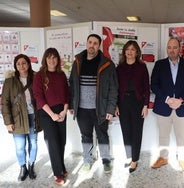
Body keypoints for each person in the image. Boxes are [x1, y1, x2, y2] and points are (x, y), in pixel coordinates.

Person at [69, 34, 118, 174]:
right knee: (86, 136)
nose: (92, 45)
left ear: (99, 46)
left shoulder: (107, 64)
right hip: (82, 109)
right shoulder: (78, 61)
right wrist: (72, 105)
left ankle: (106, 160)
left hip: (100, 109)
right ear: (86, 43)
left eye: (95, 43)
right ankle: (87, 160)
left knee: (102, 135)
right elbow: (72, 84)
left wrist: (110, 108)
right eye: (90, 42)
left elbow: (113, 89)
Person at [150, 37, 184, 172]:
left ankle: (182, 159)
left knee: (181, 135)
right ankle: (163, 158)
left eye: (175, 47)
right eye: (169, 47)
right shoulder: (159, 65)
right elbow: (154, 85)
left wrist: (181, 100)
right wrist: (167, 99)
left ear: (179, 48)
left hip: (181, 106)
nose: (172, 50)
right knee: (163, 135)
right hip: (164, 106)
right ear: (166, 49)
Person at [1, 54, 41, 181]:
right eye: (18, 64)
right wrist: (8, 122)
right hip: (17, 118)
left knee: (33, 144)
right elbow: (5, 102)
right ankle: (23, 167)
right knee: (20, 146)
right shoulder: (9, 81)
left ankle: (31, 165)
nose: (21, 66)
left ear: (28, 64)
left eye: (24, 63)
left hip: (34, 116)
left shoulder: (36, 78)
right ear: (15, 66)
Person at [33, 48, 69, 186]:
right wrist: (52, 115)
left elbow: (67, 94)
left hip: (61, 111)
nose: (52, 60)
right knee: (53, 142)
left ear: (58, 59)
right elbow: (39, 98)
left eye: (54, 57)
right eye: (49, 57)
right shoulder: (39, 76)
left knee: (62, 141)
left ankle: (61, 166)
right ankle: (57, 173)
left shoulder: (61, 74)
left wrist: (64, 111)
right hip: (47, 112)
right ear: (45, 59)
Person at [115, 40, 150, 173]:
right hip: (123, 103)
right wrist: (116, 105)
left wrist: (145, 105)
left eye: (133, 49)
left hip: (138, 103)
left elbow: (147, 87)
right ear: (124, 51)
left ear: (137, 52)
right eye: (128, 49)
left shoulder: (142, 67)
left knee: (136, 131)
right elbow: (116, 88)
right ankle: (129, 156)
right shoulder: (120, 67)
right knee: (126, 131)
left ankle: (134, 160)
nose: (130, 52)